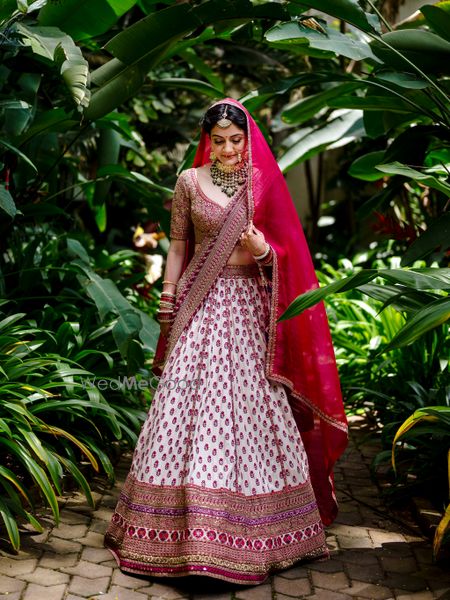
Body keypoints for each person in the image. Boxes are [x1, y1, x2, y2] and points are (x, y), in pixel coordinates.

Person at [104, 98, 348, 585]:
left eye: (237, 140)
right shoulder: (189, 183)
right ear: (207, 141)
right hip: (201, 305)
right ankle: (178, 534)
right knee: (187, 403)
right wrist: (169, 298)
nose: (229, 149)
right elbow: (177, 246)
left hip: (251, 314)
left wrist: (264, 251)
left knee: (254, 408)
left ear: (248, 139)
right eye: (219, 141)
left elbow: (289, 254)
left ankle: (265, 530)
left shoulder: (263, 186)